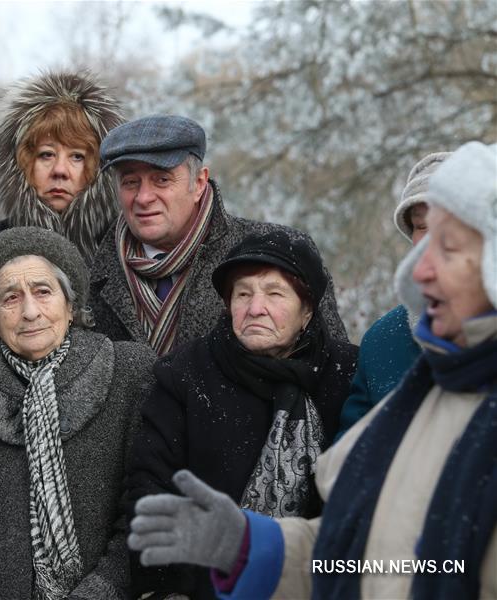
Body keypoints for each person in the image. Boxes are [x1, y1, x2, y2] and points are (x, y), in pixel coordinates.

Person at [128, 141, 497, 599]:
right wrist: (252, 549)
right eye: (243, 294)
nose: (419, 270)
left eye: (449, 248)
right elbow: (369, 554)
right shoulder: (429, 385)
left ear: (308, 310)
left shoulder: (356, 371)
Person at [126, 230, 357, 598]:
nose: (255, 308)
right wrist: (171, 589)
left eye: (275, 294)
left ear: (308, 310)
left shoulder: (347, 375)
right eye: (243, 294)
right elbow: (149, 489)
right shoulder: (185, 374)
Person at [0, 227, 156, 599]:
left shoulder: (129, 374)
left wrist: (103, 588)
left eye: (43, 291)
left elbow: (147, 500)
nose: (30, 312)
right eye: (10, 298)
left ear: (70, 307)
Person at [89, 115, 347, 356]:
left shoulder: (283, 251)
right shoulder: (89, 267)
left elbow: (331, 367)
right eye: (130, 182)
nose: (144, 197)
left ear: (199, 183)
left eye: (162, 180)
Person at [334, 152, 449, 441]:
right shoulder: (383, 340)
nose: (431, 238)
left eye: (447, 222)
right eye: (421, 226)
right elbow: (351, 449)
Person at [0, 70, 124, 262]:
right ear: (20, 164)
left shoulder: (125, 250)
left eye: (77, 156)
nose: (60, 170)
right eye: (46, 155)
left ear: (100, 167)